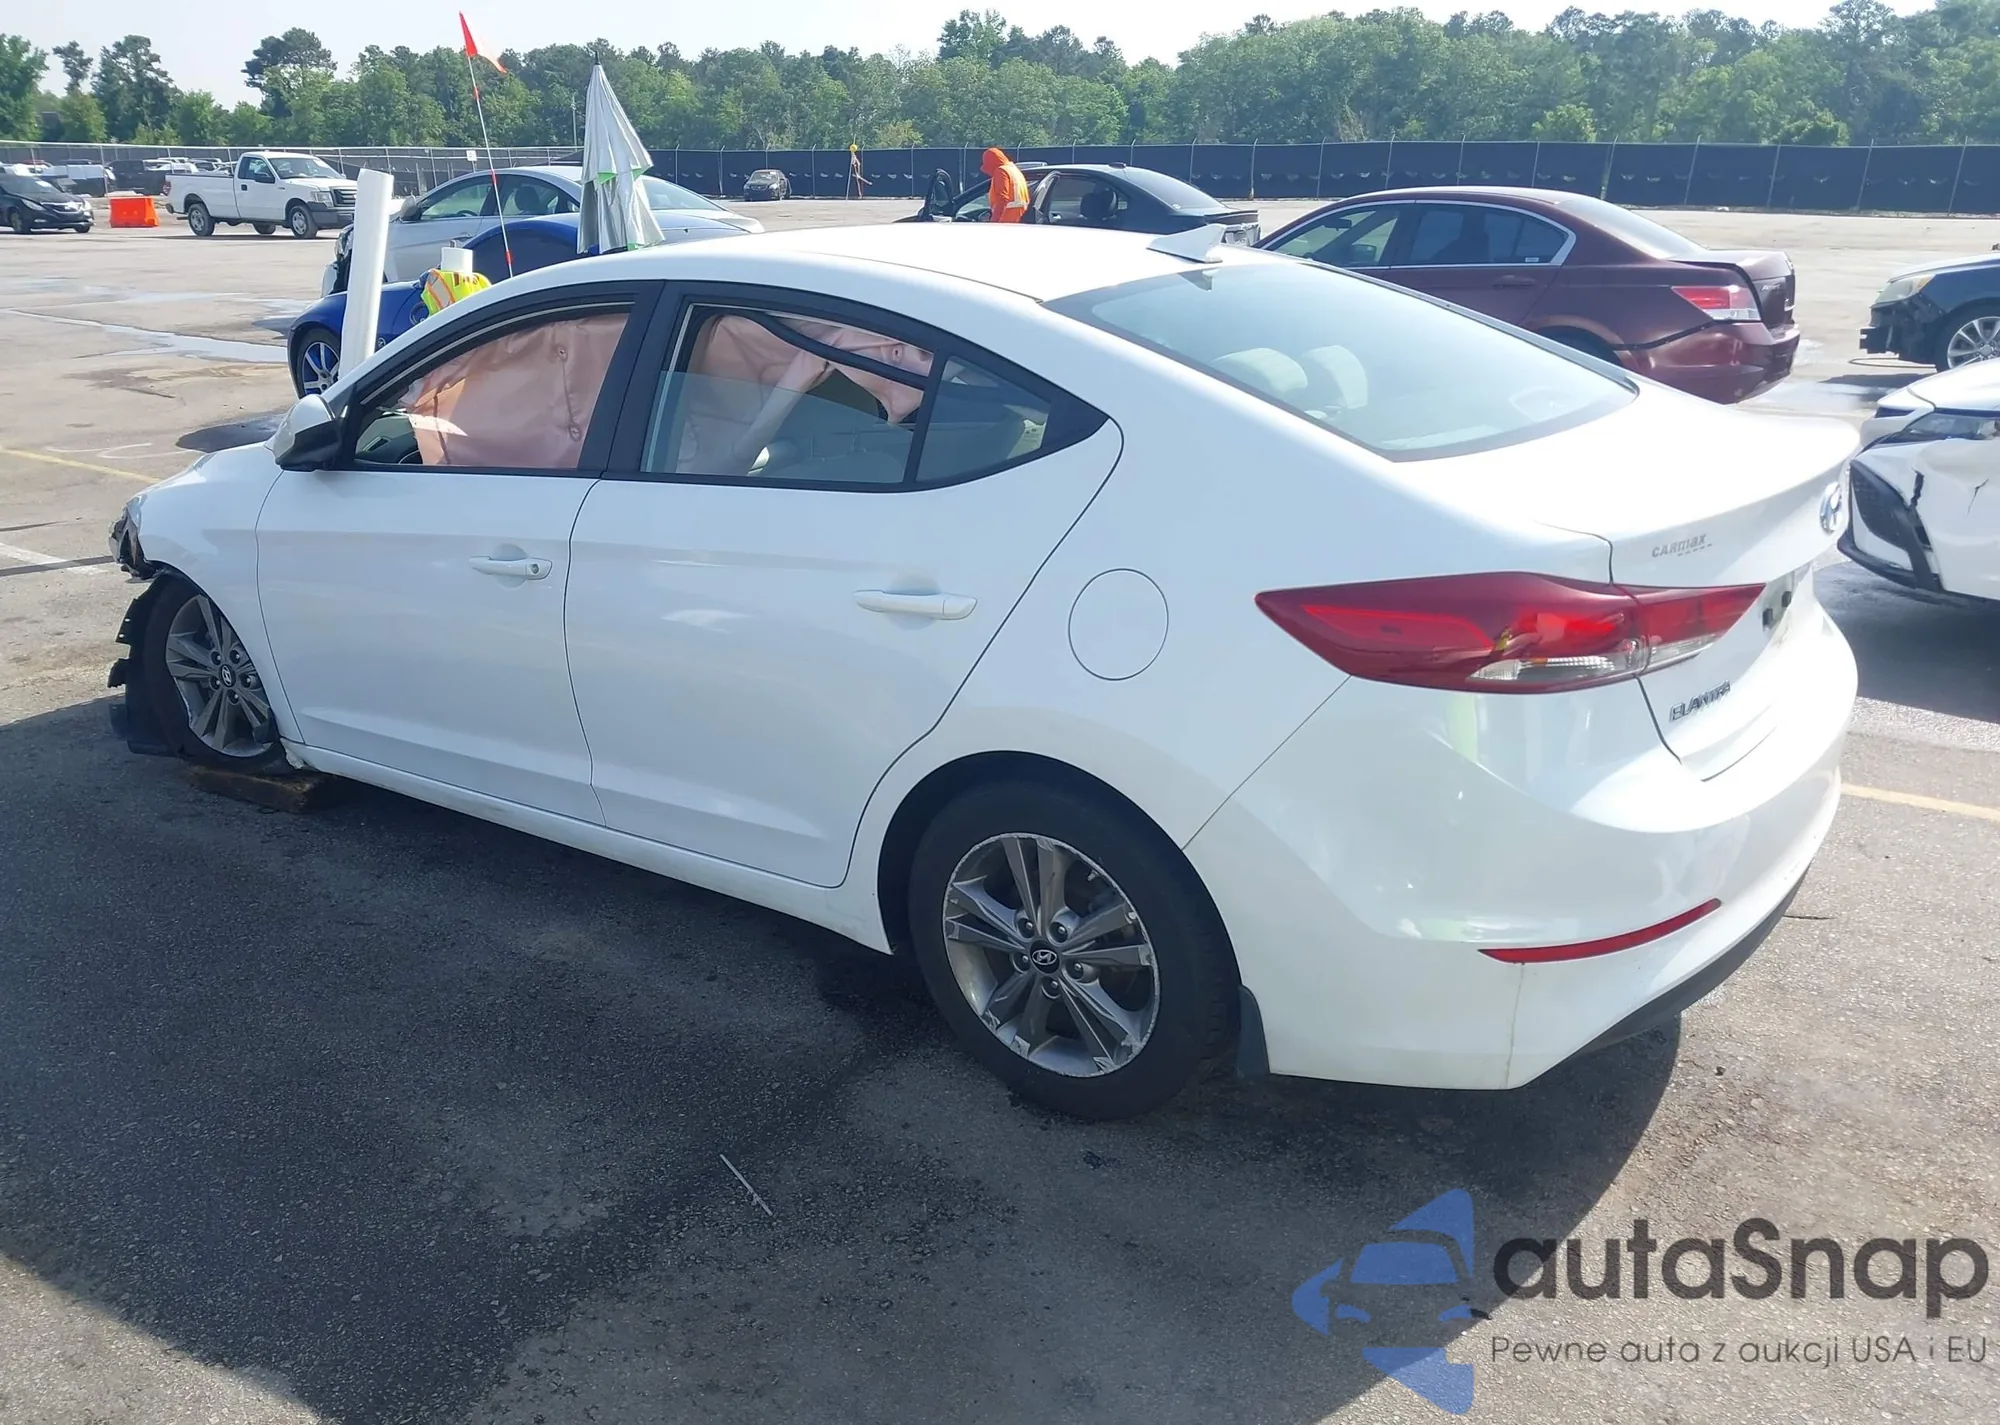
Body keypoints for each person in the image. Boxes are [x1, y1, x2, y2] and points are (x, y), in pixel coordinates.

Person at [981, 147, 1030, 224]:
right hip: (1018, 219)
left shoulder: (1001, 171)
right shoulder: (1014, 170)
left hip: (1006, 220)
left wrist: (993, 222)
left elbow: (1002, 198)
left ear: (991, 163)